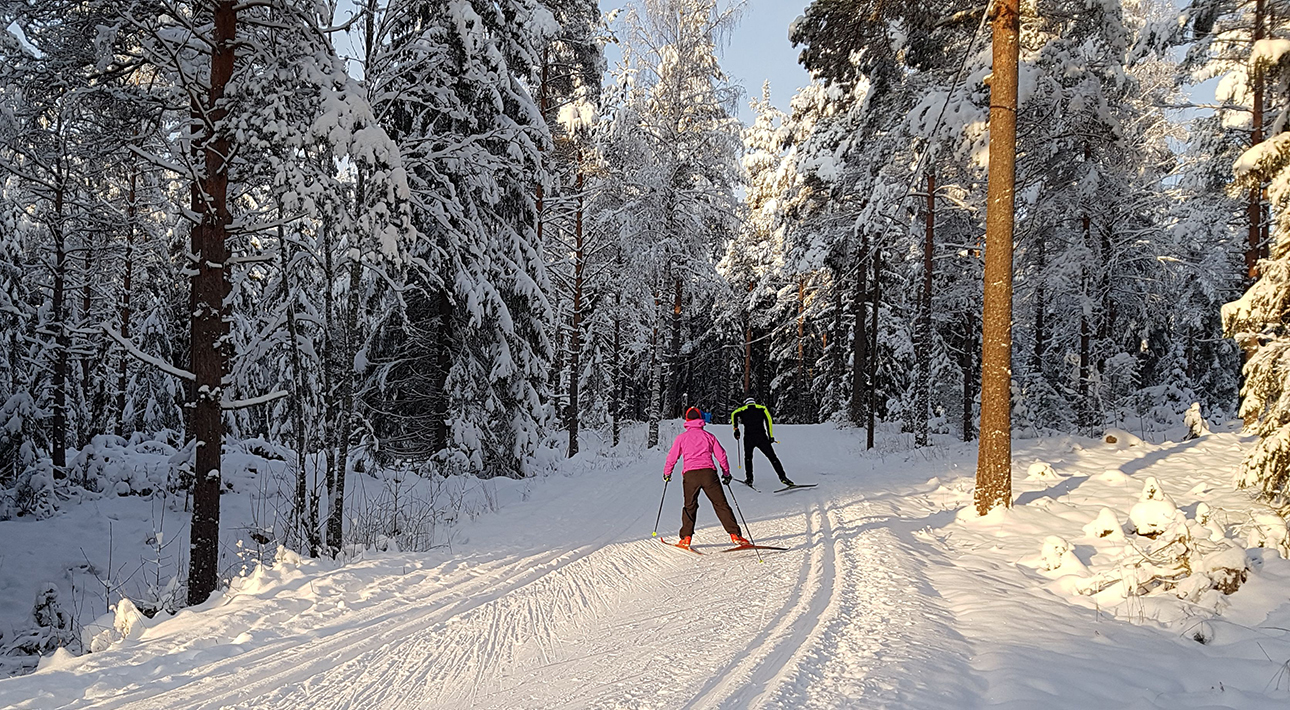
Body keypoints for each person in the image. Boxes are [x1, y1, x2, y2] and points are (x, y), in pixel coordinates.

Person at [664, 407, 750, 550]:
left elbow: (672, 457)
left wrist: (667, 473)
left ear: (687, 420)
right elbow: (721, 455)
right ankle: (735, 535)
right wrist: (726, 473)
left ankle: (686, 538)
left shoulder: (681, 438)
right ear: (700, 419)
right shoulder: (709, 436)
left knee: (689, 506)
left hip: (690, 475)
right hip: (709, 474)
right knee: (720, 504)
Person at [731, 397, 793, 487]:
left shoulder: (743, 410)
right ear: (754, 402)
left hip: (749, 438)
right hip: (761, 437)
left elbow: (734, 414)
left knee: (748, 458)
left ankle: (749, 479)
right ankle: (783, 477)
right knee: (772, 457)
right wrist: (770, 436)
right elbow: (769, 421)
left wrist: (736, 429)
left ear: (746, 403)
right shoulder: (762, 408)